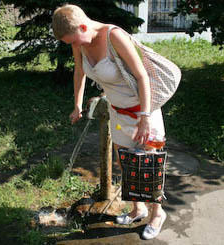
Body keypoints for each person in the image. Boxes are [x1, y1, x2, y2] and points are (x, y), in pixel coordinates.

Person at [52, 4, 167, 240]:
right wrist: (77, 104)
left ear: (83, 26)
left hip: (144, 111)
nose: (77, 45)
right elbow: (79, 72)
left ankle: (157, 214)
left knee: (149, 166)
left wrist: (145, 117)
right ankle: (138, 209)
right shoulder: (78, 42)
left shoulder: (114, 36)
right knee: (126, 163)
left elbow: (142, 76)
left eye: (76, 39)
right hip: (118, 112)